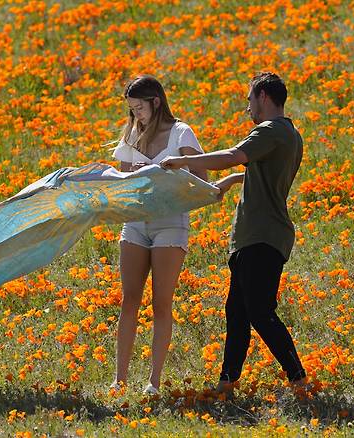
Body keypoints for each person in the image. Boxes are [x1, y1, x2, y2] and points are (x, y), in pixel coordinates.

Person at [160, 72, 307, 394]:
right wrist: (232, 182)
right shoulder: (289, 134)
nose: (248, 107)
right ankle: (228, 382)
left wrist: (181, 161)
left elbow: (231, 157)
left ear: (264, 97)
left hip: (262, 235)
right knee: (238, 312)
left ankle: (298, 378)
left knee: (259, 311)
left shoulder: (270, 130)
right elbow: (265, 177)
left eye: (250, 99)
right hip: (256, 235)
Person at [110, 75, 207, 395]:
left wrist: (171, 179)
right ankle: (119, 379)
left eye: (139, 107)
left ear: (155, 102)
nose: (135, 114)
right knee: (129, 302)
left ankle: (153, 381)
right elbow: (121, 181)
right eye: (131, 109)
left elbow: (201, 179)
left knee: (161, 303)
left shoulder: (181, 132)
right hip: (136, 223)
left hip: (170, 224)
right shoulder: (131, 135)